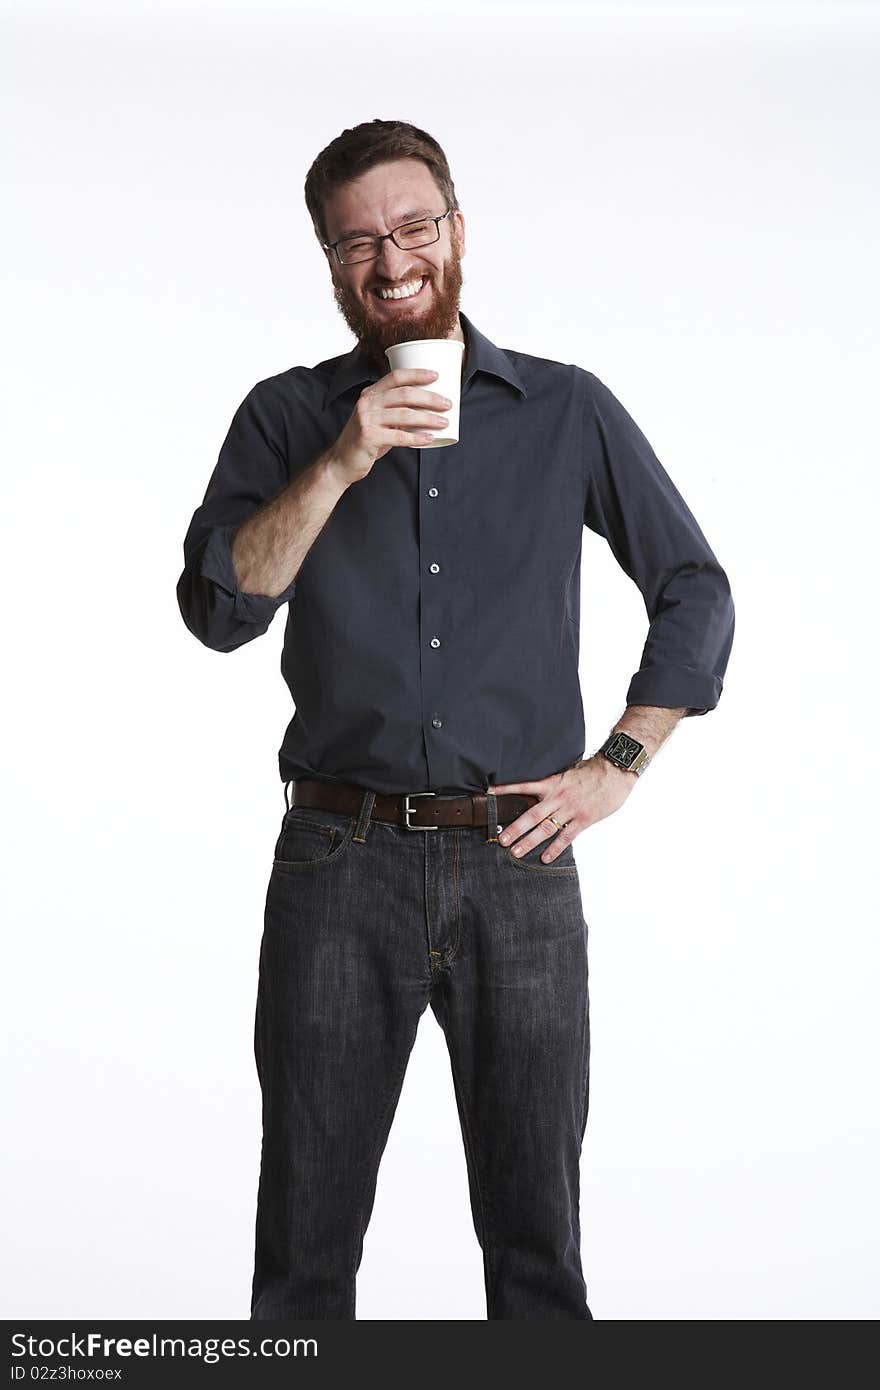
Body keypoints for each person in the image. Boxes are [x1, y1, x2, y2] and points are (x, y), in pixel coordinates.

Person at [176, 119, 735, 1321]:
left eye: (413, 227)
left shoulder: (564, 410)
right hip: (338, 861)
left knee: (539, 1256)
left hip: (517, 862)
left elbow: (694, 584)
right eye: (357, 242)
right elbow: (221, 610)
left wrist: (618, 763)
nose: (390, 262)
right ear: (329, 263)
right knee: (303, 1255)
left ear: (458, 231)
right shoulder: (286, 417)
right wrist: (339, 461)